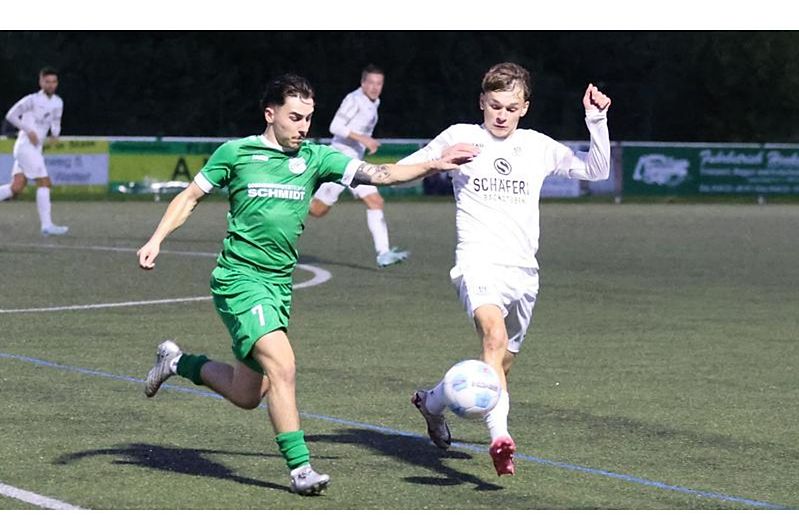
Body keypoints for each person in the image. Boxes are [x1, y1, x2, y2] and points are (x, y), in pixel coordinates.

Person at [136, 73, 474, 495]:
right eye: (295, 117)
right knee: (284, 366)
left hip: (278, 287)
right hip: (239, 280)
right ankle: (300, 470)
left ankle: (176, 362)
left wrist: (433, 162)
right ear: (270, 113)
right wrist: (156, 239)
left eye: (309, 118)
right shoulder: (236, 153)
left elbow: (381, 173)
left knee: (247, 394)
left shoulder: (317, 158)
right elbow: (189, 197)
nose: (303, 126)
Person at [373, 62, 612, 476]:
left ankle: (431, 402)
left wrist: (597, 119)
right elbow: (396, 173)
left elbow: (597, 171)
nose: (501, 115)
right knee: (493, 335)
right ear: (482, 102)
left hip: (523, 273)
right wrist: (436, 163)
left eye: (511, 107)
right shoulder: (459, 136)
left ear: (525, 108)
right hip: (477, 262)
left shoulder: (537, 146)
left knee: (500, 366)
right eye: (494, 105)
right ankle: (500, 438)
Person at [309, 64, 409, 268]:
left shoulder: (375, 102)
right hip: (338, 161)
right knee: (317, 210)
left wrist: (364, 142)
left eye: (378, 83)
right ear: (362, 83)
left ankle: (383, 253)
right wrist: (364, 139)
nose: (374, 87)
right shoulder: (353, 100)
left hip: (354, 163)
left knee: (374, 201)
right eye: (370, 82)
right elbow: (335, 126)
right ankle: (287, 197)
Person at [0, 67, 68, 236]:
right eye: (47, 81)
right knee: (44, 182)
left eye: (54, 82)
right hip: (25, 146)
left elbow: (56, 121)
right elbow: (11, 115)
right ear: (41, 82)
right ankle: (47, 225)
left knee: (16, 187)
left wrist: (55, 134)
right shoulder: (31, 100)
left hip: (36, 148)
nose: (50, 85)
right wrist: (29, 130)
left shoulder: (58, 102)